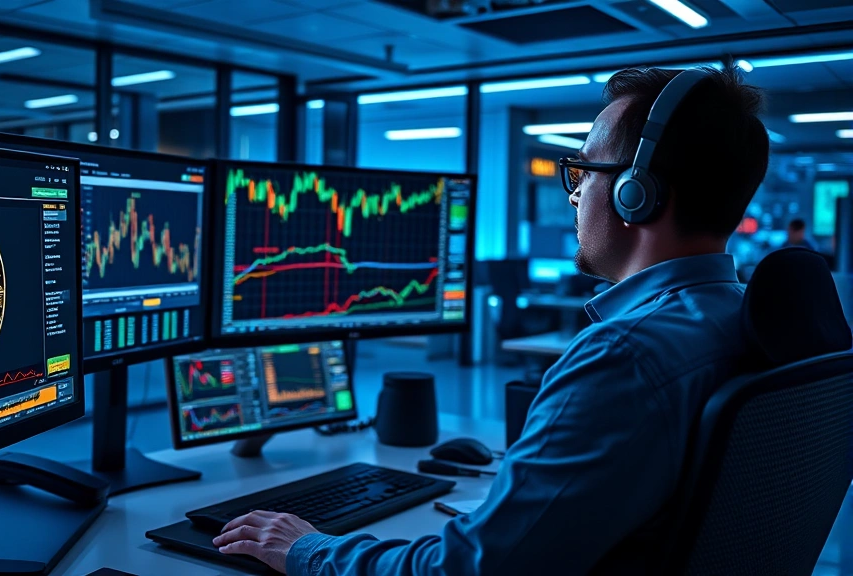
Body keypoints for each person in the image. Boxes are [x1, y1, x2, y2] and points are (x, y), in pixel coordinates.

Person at [213, 65, 770, 575]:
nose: (575, 197)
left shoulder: (624, 355)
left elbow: (472, 570)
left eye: (582, 171)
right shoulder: (742, 316)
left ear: (637, 194)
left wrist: (308, 549)